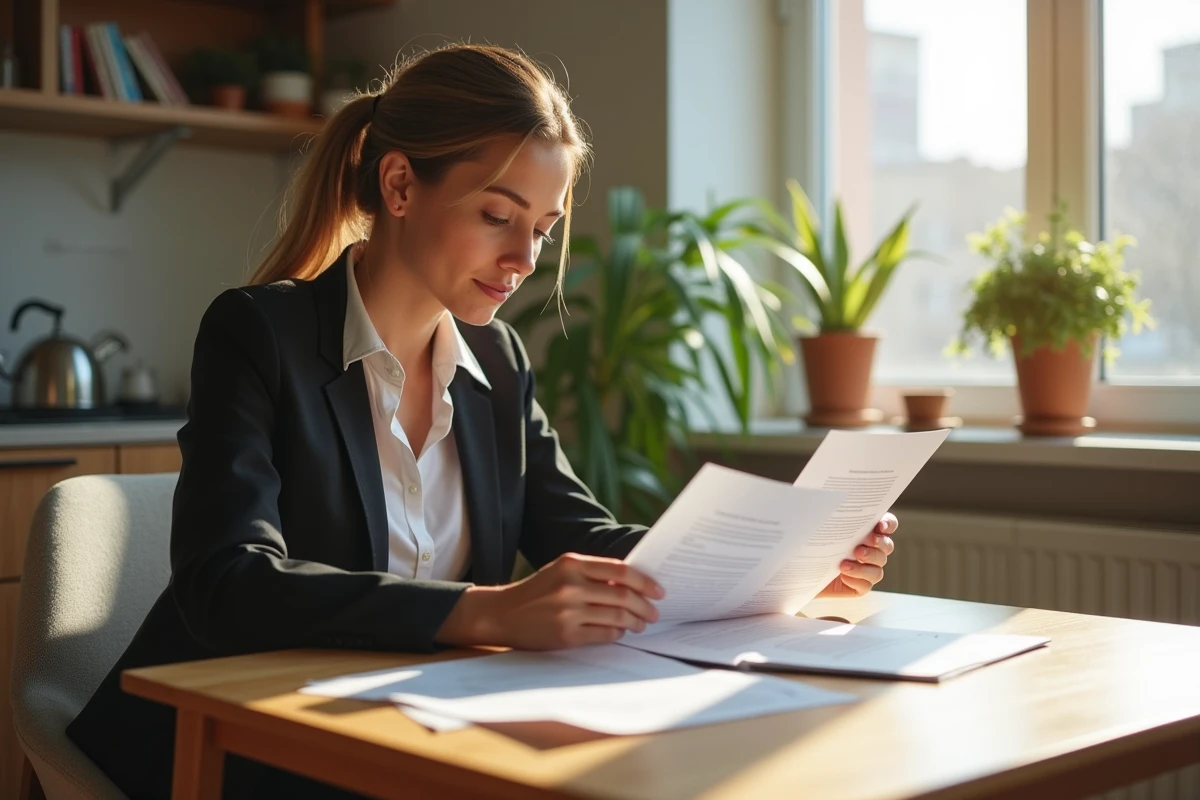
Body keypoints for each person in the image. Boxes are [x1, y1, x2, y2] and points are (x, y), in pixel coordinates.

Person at [66, 43, 899, 799]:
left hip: (401, 731)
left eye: (542, 228)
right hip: (226, 747)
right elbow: (226, 583)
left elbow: (581, 533)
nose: (524, 259)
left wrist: (783, 568)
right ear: (399, 185)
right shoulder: (258, 334)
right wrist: (486, 611)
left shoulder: (496, 360)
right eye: (498, 216)